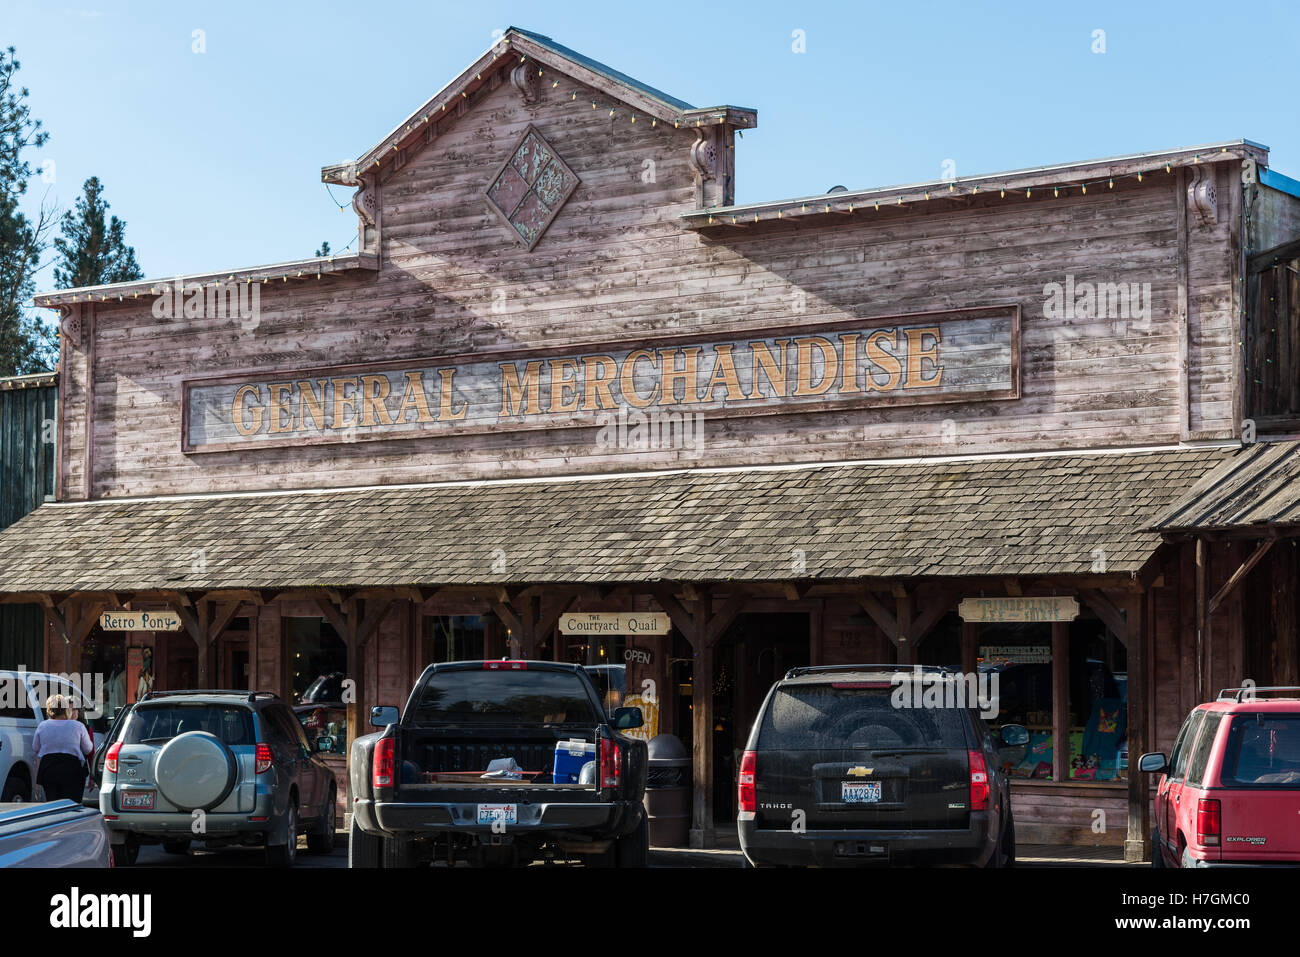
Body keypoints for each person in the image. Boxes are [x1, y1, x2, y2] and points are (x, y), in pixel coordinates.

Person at [33, 694, 94, 803]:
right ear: (66, 709)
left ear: (49, 709)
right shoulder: (78, 726)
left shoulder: (42, 726)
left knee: (53, 804)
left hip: (49, 770)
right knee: (72, 805)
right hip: (72, 771)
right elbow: (88, 749)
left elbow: (36, 748)